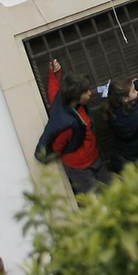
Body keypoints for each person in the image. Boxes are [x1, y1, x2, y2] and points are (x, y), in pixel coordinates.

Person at [34, 60, 112, 193]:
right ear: (76, 96)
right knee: (97, 200)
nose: (90, 93)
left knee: (112, 191)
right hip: (80, 168)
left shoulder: (64, 101)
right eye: (85, 92)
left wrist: (55, 73)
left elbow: (54, 91)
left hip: (94, 158)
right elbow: (58, 147)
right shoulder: (67, 126)